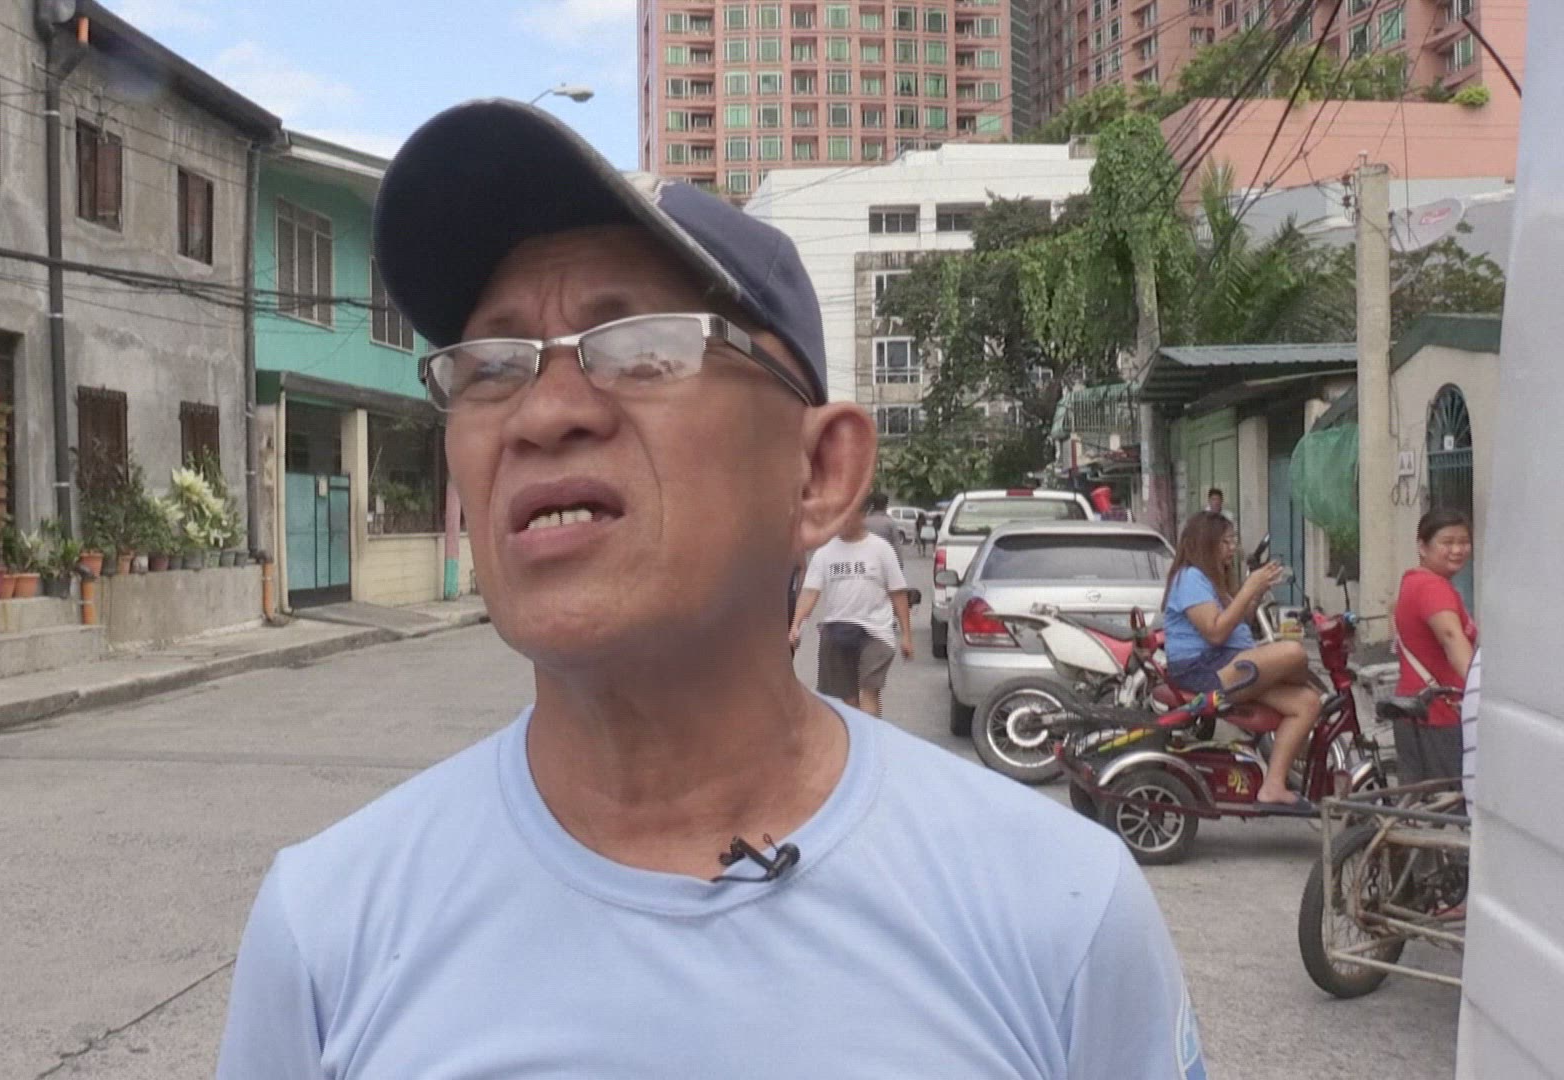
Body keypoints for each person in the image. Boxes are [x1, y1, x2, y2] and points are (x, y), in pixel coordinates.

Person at [218, 100, 1200, 1080]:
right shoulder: (328, 930)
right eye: (491, 367)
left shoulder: (1059, 916)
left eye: (644, 346)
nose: (543, 414)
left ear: (819, 475)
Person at [1161, 511, 1320, 811]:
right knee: (1293, 653)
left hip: (1229, 661)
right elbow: (1215, 632)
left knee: (1307, 703)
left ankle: (1273, 787)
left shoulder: (1213, 579)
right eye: (1226, 542)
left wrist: (1255, 593)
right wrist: (1248, 588)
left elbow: (1239, 624)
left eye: (1233, 541)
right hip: (1204, 668)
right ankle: (1291, 678)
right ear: (1206, 543)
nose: (1232, 548)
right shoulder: (1190, 577)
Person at [788, 501, 912, 717]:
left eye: (847, 515)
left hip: (875, 632)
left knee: (869, 692)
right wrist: (796, 625)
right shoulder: (825, 553)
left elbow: (898, 593)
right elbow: (810, 592)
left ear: (862, 515)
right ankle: (856, 733)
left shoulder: (881, 550)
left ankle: (870, 734)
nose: (841, 522)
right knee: (847, 700)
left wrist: (907, 636)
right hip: (837, 629)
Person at [1390, 508, 1477, 785]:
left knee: (1420, 799)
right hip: (1439, 715)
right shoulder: (1432, 587)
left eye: (1463, 542)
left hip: (1415, 712)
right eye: (1447, 542)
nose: (1457, 550)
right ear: (1422, 546)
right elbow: (1451, 638)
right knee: (1449, 800)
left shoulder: (1413, 581)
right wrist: (1478, 687)